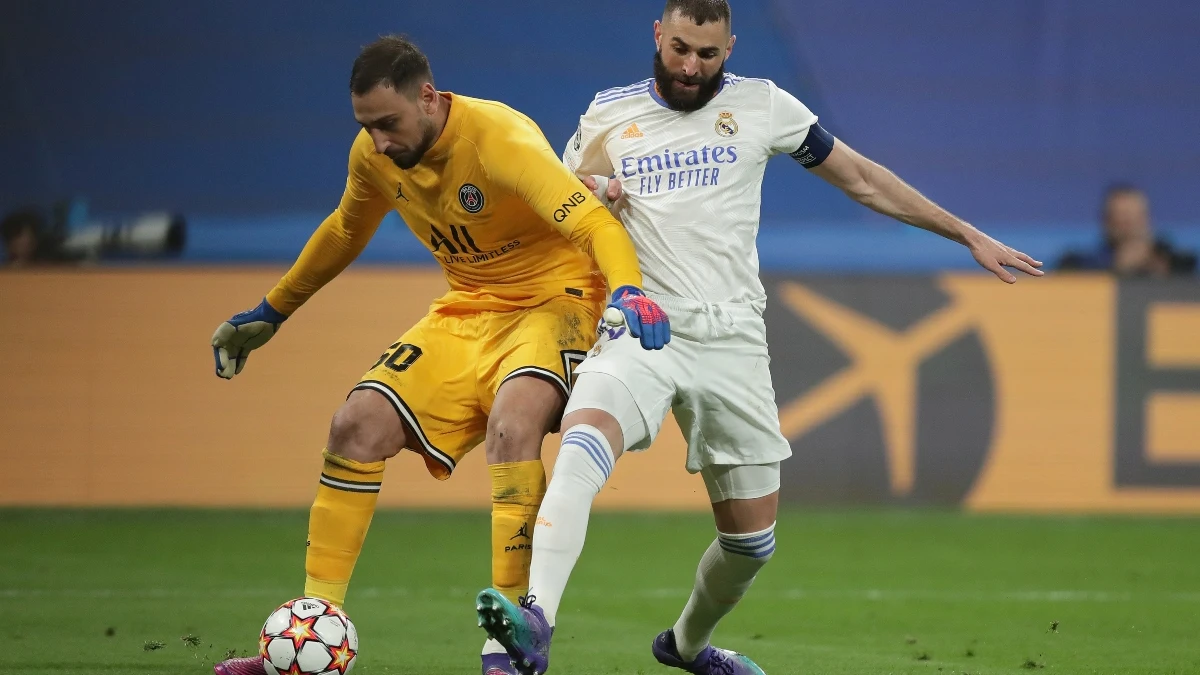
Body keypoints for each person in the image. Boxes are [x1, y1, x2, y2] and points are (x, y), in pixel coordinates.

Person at [473, 1, 1043, 673]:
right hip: (643, 329)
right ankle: (536, 621)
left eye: (708, 54)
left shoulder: (765, 105)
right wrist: (590, 194)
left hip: (733, 339)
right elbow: (558, 206)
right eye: (681, 48)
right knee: (580, 445)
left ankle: (685, 646)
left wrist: (967, 233)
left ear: (731, 48)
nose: (691, 66)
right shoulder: (607, 115)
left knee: (751, 543)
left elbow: (860, 178)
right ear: (658, 34)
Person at [211, 35, 669, 675]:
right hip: (469, 307)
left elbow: (593, 222)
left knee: (513, 426)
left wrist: (628, 292)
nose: (378, 142)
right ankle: (310, 632)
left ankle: (510, 643)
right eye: (366, 127)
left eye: (388, 124)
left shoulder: (499, 139)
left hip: (555, 301)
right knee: (355, 425)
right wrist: (272, 311)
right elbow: (346, 229)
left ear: (427, 97)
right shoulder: (374, 156)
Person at [1058, 183, 1196, 276]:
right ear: (1105, 221)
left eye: (1132, 218)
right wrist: (1118, 270)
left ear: (1147, 219)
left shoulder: (1177, 262)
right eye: (1119, 218)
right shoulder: (1078, 264)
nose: (1126, 226)